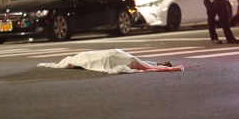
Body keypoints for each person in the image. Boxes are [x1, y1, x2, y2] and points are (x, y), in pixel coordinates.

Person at [37, 49, 184, 73]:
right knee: (136, 61)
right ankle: (160, 64)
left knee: (136, 62)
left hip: (111, 56)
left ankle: (160, 65)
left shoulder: (79, 58)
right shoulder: (79, 58)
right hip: (111, 56)